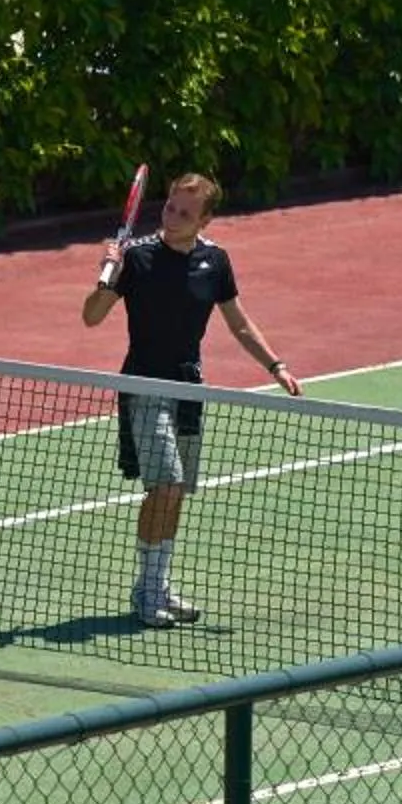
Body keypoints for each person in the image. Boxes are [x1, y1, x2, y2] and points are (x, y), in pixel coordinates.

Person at [80, 169, 300, 627]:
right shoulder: (136, 258)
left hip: (188, 386)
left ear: (205, 220)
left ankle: (159, 586)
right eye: (170, 207)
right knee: (165, 485)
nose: (173, 216)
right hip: (143, 385)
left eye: (185, 212)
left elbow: (238, 322)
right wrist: (108, 275)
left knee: (177, 494)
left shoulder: (216, 261)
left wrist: (275, 365)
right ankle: (145, 592)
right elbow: (91, 318)